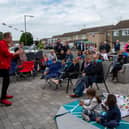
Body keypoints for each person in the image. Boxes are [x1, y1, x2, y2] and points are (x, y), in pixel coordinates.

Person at [0, 32, 20, 106]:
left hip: (5, 65)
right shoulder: (2, 43)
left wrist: (10, 46)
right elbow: (7, 54)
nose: (11, 39)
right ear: (7, 37)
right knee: (6, 81)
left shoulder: (4, 44)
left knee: (7, 81)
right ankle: (2, 99)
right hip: (2, 66)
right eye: (11, 37)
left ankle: (4, 96)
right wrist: (16, 53)